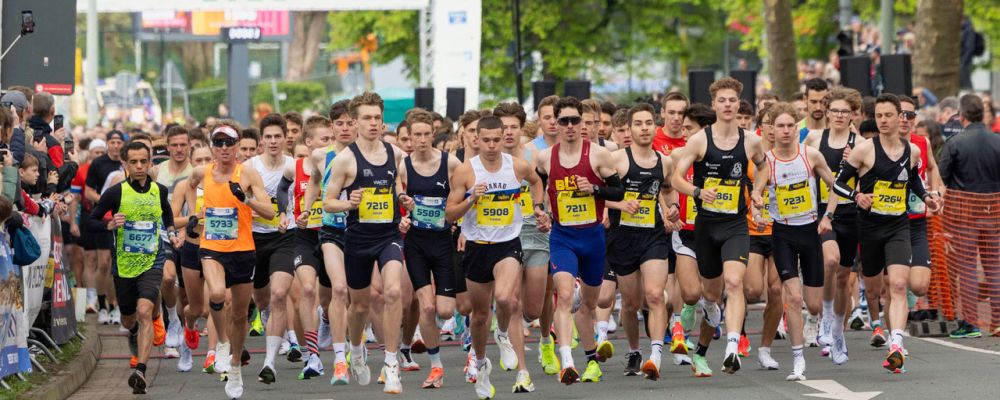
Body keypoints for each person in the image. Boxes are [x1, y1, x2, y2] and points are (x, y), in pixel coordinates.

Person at [833, 93, 941, 373]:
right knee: (873, 287)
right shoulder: (864, 150)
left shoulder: (912, 151)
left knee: (898, 285)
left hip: (898, 226)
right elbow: (838, 184)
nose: (882, 120)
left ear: (900, 118)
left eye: (888, 115)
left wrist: (926, 197)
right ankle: (871, 322)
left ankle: (896, 344)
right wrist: (857, 196)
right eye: (878, 116)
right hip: (869, 228)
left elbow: (913, 179)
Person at [670, 77, 770, 375]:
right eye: (722, 100)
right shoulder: (700, 140)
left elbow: (763, 166)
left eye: (733, 100)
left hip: (736, 224)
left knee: (736, 283)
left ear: (739, 104)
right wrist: (698, 192)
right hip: (706, 226)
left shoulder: (750, 140)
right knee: (711, 294)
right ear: (714, 105)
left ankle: (731, 345)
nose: (728, 105)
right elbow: (676, 178)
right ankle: (704, 327)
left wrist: (756, 190)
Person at [446, 115, 546, 399]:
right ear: (476, 139)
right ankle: (481, 364)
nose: (491, 146)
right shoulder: (466, 172)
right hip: (477, 246)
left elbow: (537, 182)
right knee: (479, 316)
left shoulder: (517, 166)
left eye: (496, 140)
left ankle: (502, 334)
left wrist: (538, 207)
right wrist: (470, 199)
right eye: (485, 140)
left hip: (508, 243)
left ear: (504, 139)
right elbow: (449, 213)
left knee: (504, 299)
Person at [534, 96, 624, 385]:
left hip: (592, 237)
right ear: (555, 123)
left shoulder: (598, 155)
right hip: (563, 236)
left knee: (588, 304)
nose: (571, 126)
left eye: (576, 121)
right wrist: (540, 210)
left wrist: (595, 189)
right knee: (562, 295)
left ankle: (590, 359)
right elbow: (538, 188)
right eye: (565, 121)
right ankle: (567, 361)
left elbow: (619, 192)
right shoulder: (545, 158)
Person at [322, 91, 407, 394]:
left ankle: (392, 364)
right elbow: (327, 203)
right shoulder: (345, 160)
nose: (373, 123)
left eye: (377, 118)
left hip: (389, 236)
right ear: (356, 122)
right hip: (358, 238)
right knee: (358, 306)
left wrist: (402, 199)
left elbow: (398, 185)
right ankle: (356, 351)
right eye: (367, 118)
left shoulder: (395, 154)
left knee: (392, 291)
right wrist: (349, 203)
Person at [186, 123, 276, 398]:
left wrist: (245, 199)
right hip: (212, 245)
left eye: (229, 142)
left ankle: (235, 364)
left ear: (237, 146)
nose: (224, 148)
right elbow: (189, 186)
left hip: (243, 249)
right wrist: (194, 214)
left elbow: (270, 213)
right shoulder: (203, 172)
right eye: (219, 142)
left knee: (238, 314)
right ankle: (222, 343)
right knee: (215, 293)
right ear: (212, 146)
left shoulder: (247, 173)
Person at [88, 141, 181, 394]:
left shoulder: (159, 191)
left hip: (152, 261)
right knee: (129, 319)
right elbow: (92, 219)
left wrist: (172, 233)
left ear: (151, 162)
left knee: (144, 310)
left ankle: (140, 369)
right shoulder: (115, 193)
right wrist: (109, 224)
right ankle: (136, 330)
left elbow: (168, 216)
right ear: (125, 164)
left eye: (144, 161)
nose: (139, 167)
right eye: (134, 162)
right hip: (124, 267)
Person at [760, 102, 837, 381]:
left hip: (811, 232)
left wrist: (828, 216)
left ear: (797, 128)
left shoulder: (811, 156)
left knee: (812, 304)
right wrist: (758, 205)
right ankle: (797, 360)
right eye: (779, 126)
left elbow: (834, 187)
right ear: (772, 129)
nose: (784, 131)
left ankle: (816, 320)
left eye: (789, 126)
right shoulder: (767, 161)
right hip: (783, 234)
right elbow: (757, 192)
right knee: (792, 298)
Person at [604, 103, 678, 380]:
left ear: (654, 127)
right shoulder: (616, 160)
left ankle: (655, 355)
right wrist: (620, 204)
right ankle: (635, 350)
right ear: (631, 129)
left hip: (653, 236)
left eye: (649, 123)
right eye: (639, 124)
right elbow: (600, 195)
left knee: (656, 295)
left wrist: (673, 209)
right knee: (632, 303)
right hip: (623, 238)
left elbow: (669, 190)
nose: (645, 128)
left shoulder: (664, 161)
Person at [395, 109, 461, 389]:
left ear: (432, 135)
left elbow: (462, 199)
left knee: (445, 311)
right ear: (409, 137)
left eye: (425, 134)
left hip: (443, 241)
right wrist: (404, 209)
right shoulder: (403, 165)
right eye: (415, 135)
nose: (421, 140)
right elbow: (397, 196)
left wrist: (457, 221)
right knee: (427, 304)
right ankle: (436, 367)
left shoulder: (451, 164)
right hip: (417, 243)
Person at [803, 87, 866, 364]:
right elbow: (803, 169)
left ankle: (838, 332)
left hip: (850, 213)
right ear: (827, 113)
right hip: (821, 211)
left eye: (845, 111)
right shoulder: (816, 138)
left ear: (852, 114)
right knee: (831, 261)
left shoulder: (861, 143)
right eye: (835, 111)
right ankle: (825, 319)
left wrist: (854, 165)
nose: (840, 115)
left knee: (843, 277)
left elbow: (866, 182)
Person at [300, 100, 357, 385]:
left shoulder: (368, 155)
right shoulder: (321, 155)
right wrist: (307, 209)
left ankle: (356, 347)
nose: (345, 128)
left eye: (350, 122)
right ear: (332, 126)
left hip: (362, 232)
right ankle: (338, 359)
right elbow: (313, 182)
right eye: (340, 123)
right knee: (338, 288)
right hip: (331, 230)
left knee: (365, 298)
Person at [938, 94, 1000, 338]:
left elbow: (941, 178)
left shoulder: (954, 143)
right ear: (983, 115)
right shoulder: (998, 141)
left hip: (964, 215)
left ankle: (971, 323)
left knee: (967, 268)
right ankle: (997, 321)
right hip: (994, 213)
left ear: (961, 116)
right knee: (994, 266)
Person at [242, 113, 298, 383]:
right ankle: (268, 321)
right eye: (269, 137)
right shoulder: (250, 167)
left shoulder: (295, 166)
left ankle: (269, 363)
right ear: (261, 140)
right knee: (262, 300)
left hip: (284, 237)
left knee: (279, 294)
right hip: (254, 238)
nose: (274, 141)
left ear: (286, 138)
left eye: (278, 136)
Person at [494, 101, 546, 392]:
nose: (509, 132)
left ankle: (517, 324)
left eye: (514, 126)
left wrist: (541, 209)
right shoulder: (486, 158)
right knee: (511, 301)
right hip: (504, 236)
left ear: (521, 127)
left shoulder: (533, 155)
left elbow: (543, 186)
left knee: (533, 308)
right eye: (504, 127)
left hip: (535, 232)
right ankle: (523, 372)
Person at [668, 103, 716, 377]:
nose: (683, 132)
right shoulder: (678, 155)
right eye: (683, 127)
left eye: (689, 128)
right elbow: (669, 186)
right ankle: (686, 308)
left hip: (718, 232)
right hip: (686, 232)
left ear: (704, 130)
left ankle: (701, 354)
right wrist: (672, 206)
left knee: (711, 298)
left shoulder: (725, 155)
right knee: (690, 292)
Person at [151, 125, 193, 358]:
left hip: (190, 235)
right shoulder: (157, 172)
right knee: (167, 279)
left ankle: (184, 337)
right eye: (174, 145)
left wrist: (186, 232)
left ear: (189, 146)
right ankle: (172, 322)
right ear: (167, 147)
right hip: (162, 233)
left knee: (187, 297)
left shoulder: (196, 172)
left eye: (183, 145)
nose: (178, 149)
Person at [86, 130, 127, 325]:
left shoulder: (127, 162)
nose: (116, 145)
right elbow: (88, 192)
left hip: (123, 219)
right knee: (103, 263)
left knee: (115, 265)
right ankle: (101, 305)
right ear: (107, 144)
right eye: (112, 142)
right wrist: (106, 202)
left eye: (119, 142)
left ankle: (115, 305)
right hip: (103, 218)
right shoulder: (98, 163)